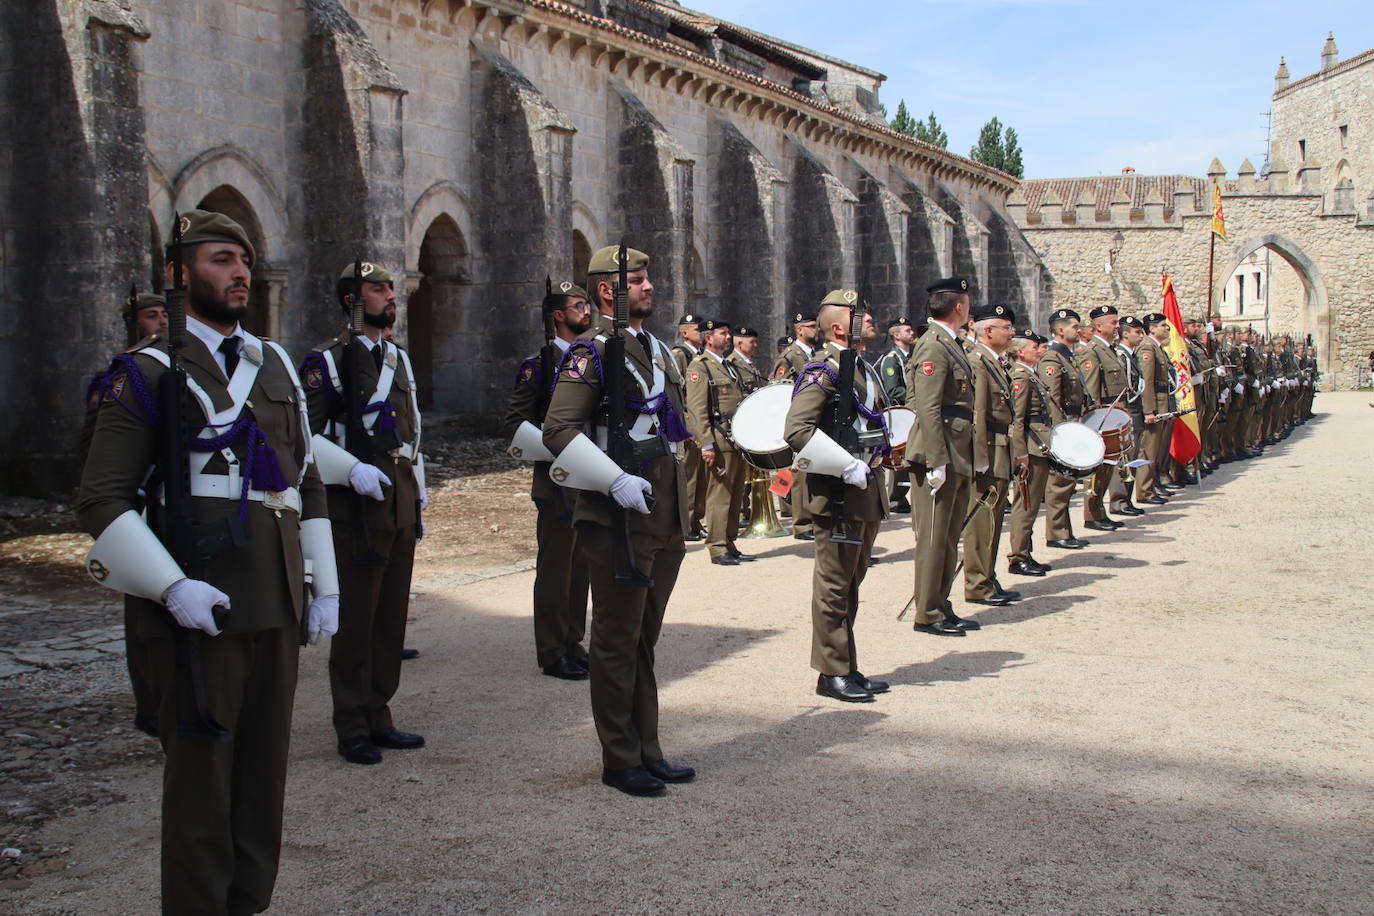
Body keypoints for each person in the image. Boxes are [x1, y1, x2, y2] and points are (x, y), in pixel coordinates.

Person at [78, 209, 339, 914]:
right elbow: (102, 501)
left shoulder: (275, 363)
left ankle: (248, 903)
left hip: (276, 605)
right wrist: (169, 587)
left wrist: (324, 585)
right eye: (221, 259)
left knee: (262, 783)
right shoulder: (145, 374)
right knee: (201, 793)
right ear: (178, 274)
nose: (239, 273)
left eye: (245, 260)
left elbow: (305, 479)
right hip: (197, 612)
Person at [542, 244, 695, 797]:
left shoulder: (659, 350)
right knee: (614, 638)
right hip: (617, 517)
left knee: (643, 640)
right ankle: (619, 757)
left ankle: (647, 746)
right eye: (639, 277)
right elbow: (557, 430)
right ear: (608, 289)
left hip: (663, 516)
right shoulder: (592, 354)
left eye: (649, 274)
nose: (650, 285)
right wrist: (613, 480)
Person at [301, 261, 427, 766]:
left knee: (390, 617)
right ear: (353, 301)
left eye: (391, 289)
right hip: (353, 505)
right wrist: (348, 469)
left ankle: (379, 711)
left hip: (395, 498)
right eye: (378, 289)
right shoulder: (326, 362)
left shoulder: (397, 358)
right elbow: (302, 436)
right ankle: (351, 723)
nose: (389, 296)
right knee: (356, 619)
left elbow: (411, 433)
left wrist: (417, 492)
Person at [784, 294, 888, 701]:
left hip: (864, 489)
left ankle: (847, 663)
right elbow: (797, 429)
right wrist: (845, 464)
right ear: (840, 327)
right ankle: (831, 671)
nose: (870, 316)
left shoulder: (861, 366)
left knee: (850, 583)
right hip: (838, 491)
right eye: (859, 313)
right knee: (833, 585)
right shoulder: (822, 369)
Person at [80, 291, 172, 736]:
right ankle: (150, 704)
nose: (158, 320)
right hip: (138, 501)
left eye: (162, 313)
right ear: (133, 322)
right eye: (149, 315)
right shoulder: (125, 372)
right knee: (144, 609)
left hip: (174, 499)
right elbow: (96, 442)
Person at [503, 281, 593, 680]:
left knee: (582, 569)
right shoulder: (538, 364)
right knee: (556, 569)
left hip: (592, 477)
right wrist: (561, 450)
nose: (587, 312)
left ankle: (574, 640)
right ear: (558, 315)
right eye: (578, 306)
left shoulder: (592, 359)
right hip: (557, 479)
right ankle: (553, 650)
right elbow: (515, 424)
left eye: (588, 305)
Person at [904, 277, 980, 636]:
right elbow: (928, 407)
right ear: (960, 307)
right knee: (934, 538)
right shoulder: (934, 345)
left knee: (950, 535)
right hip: (940, 451)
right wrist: (935, 459)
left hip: (956, 450)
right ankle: (927, 612)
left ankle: (940, 603)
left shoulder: (950, 343)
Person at [964, 304, 1021, 607]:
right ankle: (977, 582)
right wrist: (980, 456)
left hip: (1002, 448)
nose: (1012, 333)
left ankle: (988, 576)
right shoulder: (978, 362)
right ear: (988, 331)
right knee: (982, 521)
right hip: (988, 450)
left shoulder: (995, 362)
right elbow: (979, 414)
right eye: (1006, 327)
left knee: (995, 519)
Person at [685, 318, 752, 566]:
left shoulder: (728, 365)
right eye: (723, 333)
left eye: (728, 333)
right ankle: (716, 545)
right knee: (720, 496)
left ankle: (730, 541)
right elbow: (697, 410)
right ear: (709, 337)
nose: (728, 337)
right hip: (719, 439)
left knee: (735, 495)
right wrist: (706, 444)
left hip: (735, 440)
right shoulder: (700, 367)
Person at [1038, 308, 1089, 550]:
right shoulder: (1052, 358)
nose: (1079, 331)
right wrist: (1060, 432)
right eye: (1075, 327)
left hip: (1073, 422)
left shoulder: (1068, 356)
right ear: (1060, 330)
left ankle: (1065, 530)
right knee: (1059, 483)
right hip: (1063, 426)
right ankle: (1057, 532)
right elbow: (1052, 399)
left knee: (1068, 482)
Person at [1005, 328, 1055, 578]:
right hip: (1031, 447)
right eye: (1034, 347)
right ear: (1021, 351)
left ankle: (1025, 552)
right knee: (1025, 504)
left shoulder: (1030, 375)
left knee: (1033, 505)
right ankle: (1018, 557)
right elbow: (1017, 419)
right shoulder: (1021, 377)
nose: (1039, 350)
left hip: (1039, 445)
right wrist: (1020, 453)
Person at [1075, 304, 1129, 529]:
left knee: (1109, 467)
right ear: (1098, 326)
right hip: (1103, 416)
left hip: (1114, 414)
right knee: (1099, 468)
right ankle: (1091, 514)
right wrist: (1095, 422)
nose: (1117, 326)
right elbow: (1092, 388)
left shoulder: (1109, 349)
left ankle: (1099, 511)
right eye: (1113, 322)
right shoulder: (1092, 351)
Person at [774, 308, 821, 541]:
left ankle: (809, 515)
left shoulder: (816, 354)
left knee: (807, 470)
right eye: (812, 326)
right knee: (797, 471)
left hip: (814, 421)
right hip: (797, 422)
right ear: (800, 330)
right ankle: (801, 523)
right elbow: (779, 389)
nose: (816, 330)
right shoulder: (790, 357)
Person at [671, 314, 708, 541]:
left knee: (702, 476)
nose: (701, 333)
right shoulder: (680, 355)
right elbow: (676, 392)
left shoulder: (702, 357)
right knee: (690, 476)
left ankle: (697, 521)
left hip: (700, 423)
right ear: (684, 333)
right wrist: (680, 426)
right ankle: (687, 523)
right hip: (688, 423)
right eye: (696, 329)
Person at [876, 315, 915, 513]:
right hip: (901, 412)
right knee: (900, 457)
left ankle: (900, 496)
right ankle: (895, 497)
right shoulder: (892, 360)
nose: (912, 333)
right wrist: (918, 394)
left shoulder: (910, 357)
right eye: (907, 331)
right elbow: (893, 391)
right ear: (897, 335)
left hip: (912, 411)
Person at [1134, 313, 1173, 506]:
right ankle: (1144, 490)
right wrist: (1149, 409)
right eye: (1163, 326)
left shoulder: (1156, 348)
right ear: (1152, 328)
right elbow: (1147, 382)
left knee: (1156, 449)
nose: (1167, 329)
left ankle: (1152, 485)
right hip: (1154, 405)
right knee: (1148, 449)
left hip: (1162, 403)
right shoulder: (1147, 348)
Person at [1111, 316, 1149, 515]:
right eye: (1137, 332)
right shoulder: (1122, 357)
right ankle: (1119, 501)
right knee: (1124, 460)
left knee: (1133, 459)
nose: (1141, 336)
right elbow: (1125, 388)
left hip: (1136, 410)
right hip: (1127, 412)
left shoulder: (1132, 356)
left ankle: (1127, 499)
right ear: (1125, 333)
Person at [726, 325, 768, 393]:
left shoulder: (749, 362)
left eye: (756, 342)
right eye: (752, 342)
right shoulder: (731, 363)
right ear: (740, 344)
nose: (755, 345)